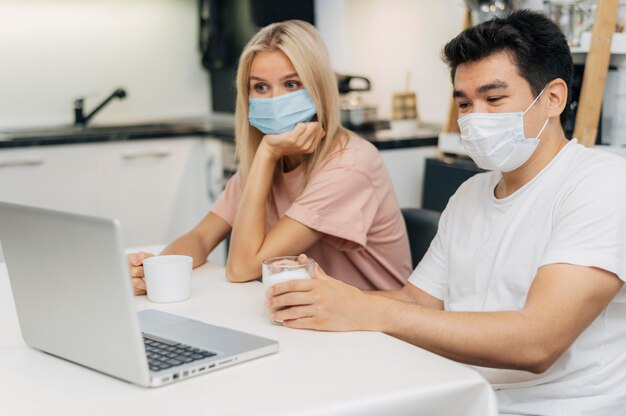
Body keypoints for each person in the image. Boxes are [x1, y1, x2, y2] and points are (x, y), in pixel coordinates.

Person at [267, 10, 626, 415]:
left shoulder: (602, 184)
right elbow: (418, 301)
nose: (474, 119)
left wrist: (368, 310)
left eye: (493, 99)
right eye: (465, 103)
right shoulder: (471, 193)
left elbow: (537, 341)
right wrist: (330, 297)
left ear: (553, 98)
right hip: (461, 394)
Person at [128, 20, 411, 294]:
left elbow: (242, 268)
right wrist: (155, 269)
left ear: (319, 89)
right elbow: (201, 237)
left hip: (372, 329)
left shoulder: (349, 165)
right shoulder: (267, 159)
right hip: (303, 314)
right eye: (260, 87)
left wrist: (267, 153)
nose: (275, 100)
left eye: (291, 84)